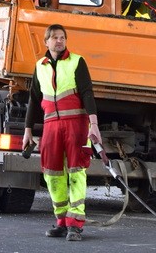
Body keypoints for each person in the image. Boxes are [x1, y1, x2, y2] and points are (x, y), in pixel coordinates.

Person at [22, 24, 102, 241]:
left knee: (76, 172)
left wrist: (93, 125)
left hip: (76, 123)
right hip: (51, 126)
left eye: (62, 37)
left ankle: (75, 224)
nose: (59, 41)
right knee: (52, 173)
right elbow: (34, 99)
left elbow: (87, 93)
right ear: (46, 42)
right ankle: (62, 221)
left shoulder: (77, 61)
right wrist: (28, 131)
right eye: (55, 37)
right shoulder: (40, 66)